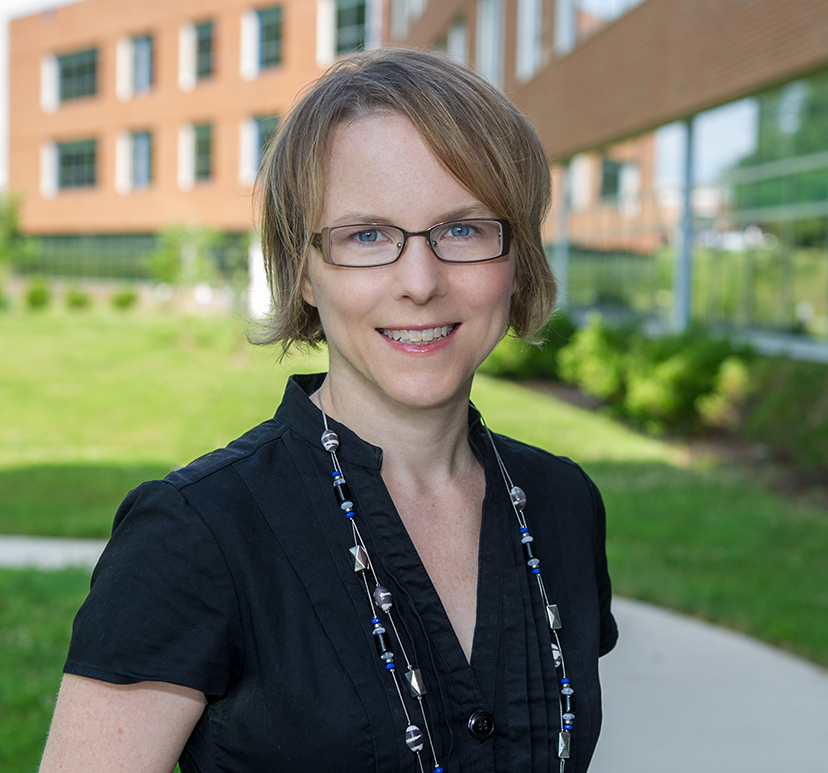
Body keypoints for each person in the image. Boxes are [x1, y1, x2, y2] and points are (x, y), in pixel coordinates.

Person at [40, 48, 617, 773]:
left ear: (517, 256)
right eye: (367, 235)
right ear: (304, 270)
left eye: (464, 228)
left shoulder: (564, 505)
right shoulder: (194, 537)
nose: (419, 281)